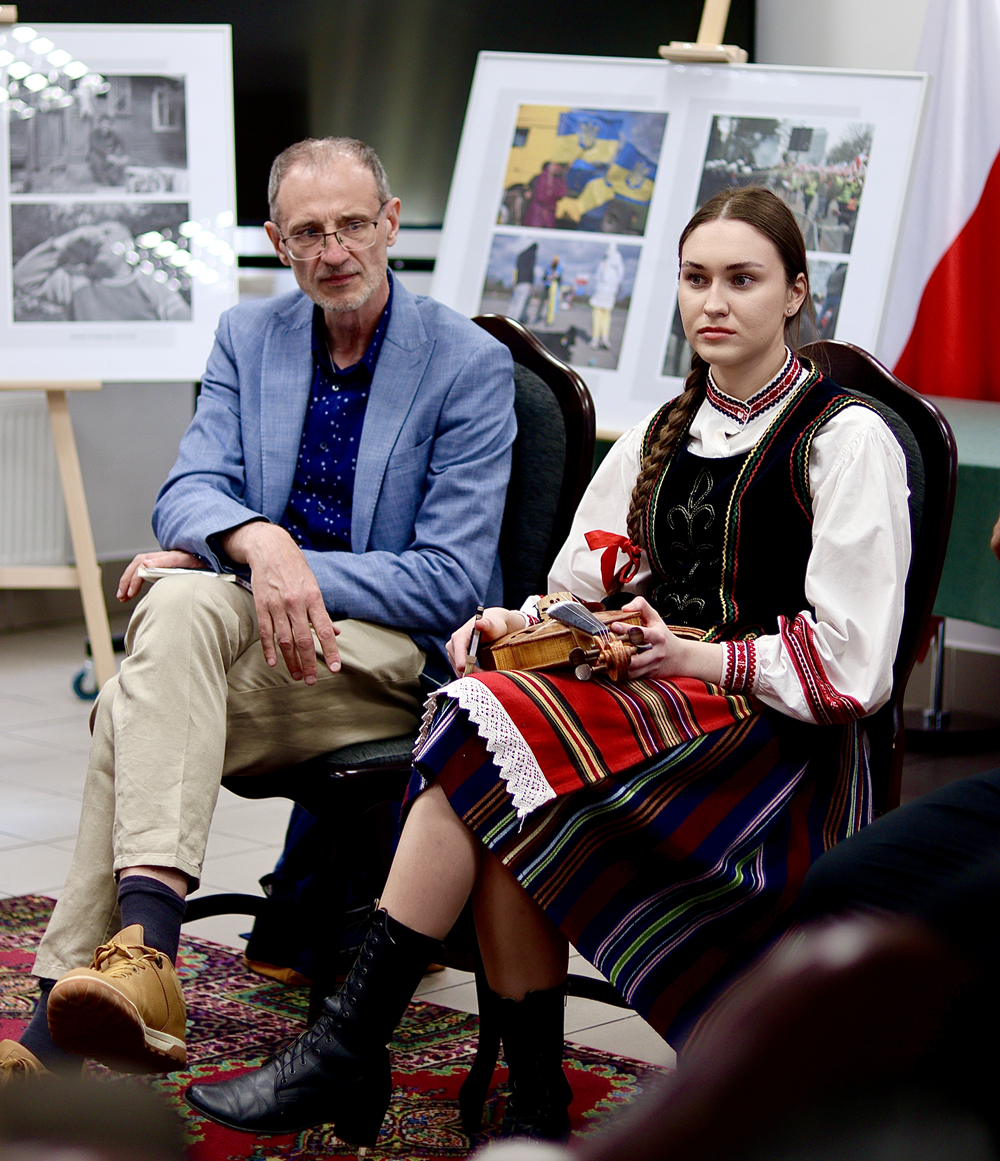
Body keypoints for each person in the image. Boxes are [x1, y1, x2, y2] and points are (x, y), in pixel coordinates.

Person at [184, 187, 909, 1148]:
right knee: (494, 745)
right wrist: (515, 621)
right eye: (696, 278)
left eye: (743, 279)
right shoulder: (662, 431)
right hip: (660, 702)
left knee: (482, 737)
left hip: (770, 742)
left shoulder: (845, 437)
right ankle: (523, 1099)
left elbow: (856, 667)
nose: (713, 302)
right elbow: (578, 588)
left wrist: (690, 653)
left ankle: (361, 1047)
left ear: (796, 293)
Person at [2, 137, 515, 1082]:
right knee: (178, 610)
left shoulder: (465, 363)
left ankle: (59, 1023)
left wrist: (281, 564)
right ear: (278, 243)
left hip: (386, 652)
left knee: (129, 701)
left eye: (353, 225)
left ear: (391, 224)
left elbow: (448, 579)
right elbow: (187, 490)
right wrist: (255, 541)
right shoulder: (251, 336)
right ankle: (146, 958)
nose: (334, 251)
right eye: (309, 232)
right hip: (254, 622)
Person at [12, 220, 191, 321]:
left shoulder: (151, 284)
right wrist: (66, 241)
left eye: (107, 233)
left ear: (128, 245)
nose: (98, 240)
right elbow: (23, 277)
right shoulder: (76, 282)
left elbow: (183, 325)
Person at [588, 242, 624, 350]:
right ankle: (605, 337)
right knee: (606, 316)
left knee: (597, 315)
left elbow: (597, 275)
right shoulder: (618, 262)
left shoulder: (604, 261)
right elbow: (620, 276)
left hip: (600, 290)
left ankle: (595, 338)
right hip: (610, 292)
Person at [87, 115, 127, 186]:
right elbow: (96, 147)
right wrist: (108, 156)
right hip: (98, 158)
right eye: (103, 124)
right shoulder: (93, 134)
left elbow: (123, 144)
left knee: (120, 165)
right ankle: (103, 180)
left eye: (107, 124)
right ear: (99, 125)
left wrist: (125, 156)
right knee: (96, 157)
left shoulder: (113, 134)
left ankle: (116, 179)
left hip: (110, 158)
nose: (105, 127)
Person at [509, 240, 537, 324]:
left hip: (518, 282)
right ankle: (514, 322)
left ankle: (508, 319)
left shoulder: (521, 255)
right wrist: (531, 283)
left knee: (514, 303)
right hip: (526, 282)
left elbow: (517, 268)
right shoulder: (532, 255)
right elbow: (531, 269)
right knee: (521, 304)